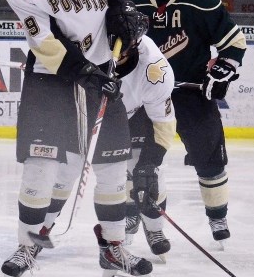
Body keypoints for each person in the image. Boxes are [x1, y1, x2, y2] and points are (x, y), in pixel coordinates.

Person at [0, 0, 153, 277]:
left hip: (102, 71)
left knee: (112, 166)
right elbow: (44, 42)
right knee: (41, 164)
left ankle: (113, 248)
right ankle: (28, 244)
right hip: (52, 79)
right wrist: (86, 72)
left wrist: (122, 6)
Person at [132, 0, 247, 244]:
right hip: (149, 98)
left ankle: (217, 217)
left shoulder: (202, 1)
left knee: (210, 161)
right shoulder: (137, 5)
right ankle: (142, 218)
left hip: (192, 96)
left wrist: (223, 70)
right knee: (144, 164)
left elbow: (234, 44)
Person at [43, 26, 178, 260]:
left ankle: (154, 229)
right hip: (87, 112)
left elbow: (163, 124)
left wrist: (149, 163)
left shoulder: (155, 69)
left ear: (134, 45)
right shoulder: (84, 44)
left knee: (147, 174)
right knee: (65, 171)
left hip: (136, 116)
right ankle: (41, 229)